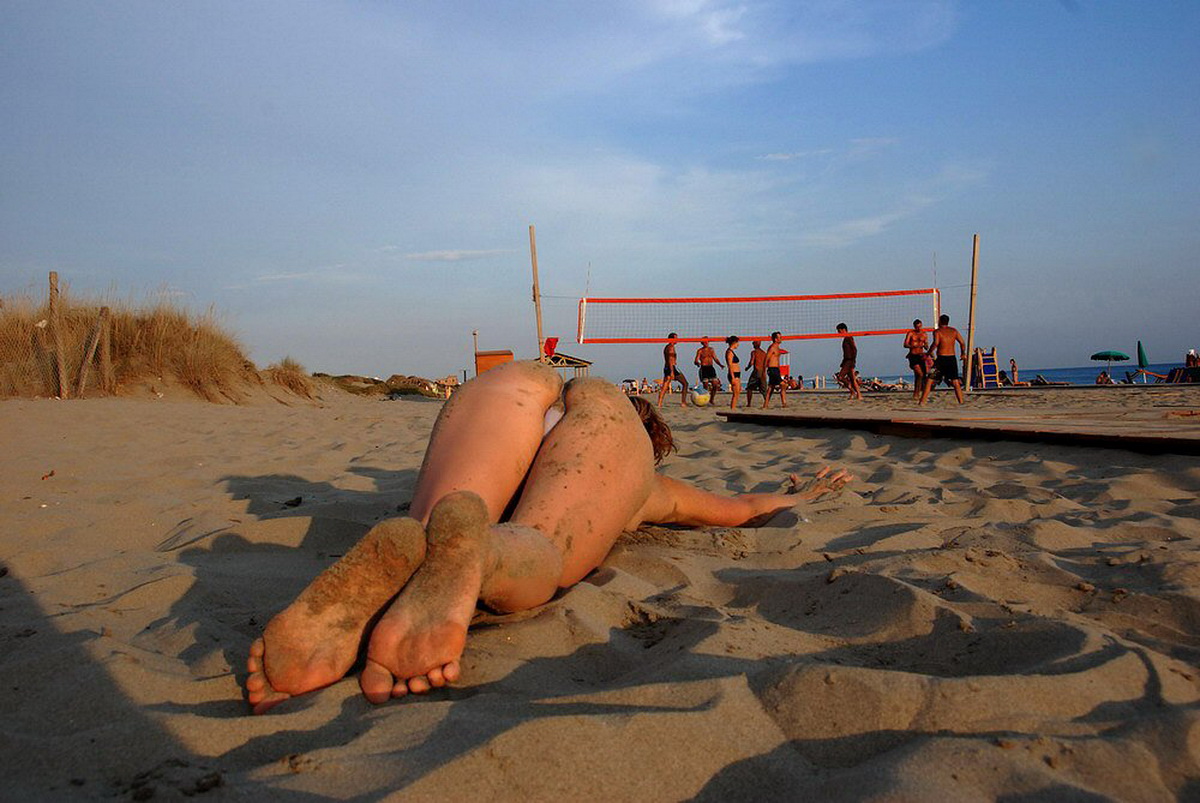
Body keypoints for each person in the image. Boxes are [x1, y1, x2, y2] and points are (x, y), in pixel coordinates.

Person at [244, 361, 852, 713]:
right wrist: (803, 494)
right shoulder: (641, 468)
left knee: (436, 522)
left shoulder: (541, 383)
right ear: (655, 437)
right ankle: (480, 552)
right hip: (609, 417)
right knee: (544, 549)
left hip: (506, 388)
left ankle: (421, 544)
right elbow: (741, 508)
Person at [919, 314, 966, 405]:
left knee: (929, 380)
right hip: (951, 358)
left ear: (940, 321)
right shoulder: (954, 331)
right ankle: (961, 402)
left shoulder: (937, 332)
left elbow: (936, 343)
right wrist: (963, 353)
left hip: (941, 359)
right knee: (955, 381)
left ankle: (922, 402)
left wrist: (928, 354)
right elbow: (962, 343)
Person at [657, 333, 688, 408]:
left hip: (666, 367)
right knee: (685, 383)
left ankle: (659, 403)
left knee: (665, 386)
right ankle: (683, 402)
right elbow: (671, 360)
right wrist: (672, 372)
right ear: (672, 339)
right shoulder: (671, 347)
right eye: (676, 338)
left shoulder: (666, 347)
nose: (677, 339)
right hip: (672, 368)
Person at [834, 323, 862, 401]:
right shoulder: (846, 338)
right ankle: (858, 395)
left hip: (849, 361)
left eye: (839, 331)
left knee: (840, 377)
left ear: (843, 330)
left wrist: (853, 360)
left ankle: (853, 391)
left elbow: (854, 349)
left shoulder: (849, 337)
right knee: (852, 379)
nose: (838, 333)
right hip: (846, 360)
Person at [903, 320, 928, 401]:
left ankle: (916, 393)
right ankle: (916, 393)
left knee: (920, 375)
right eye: (917, 327)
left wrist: (925, 345)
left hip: (921, 355)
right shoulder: (911, 333)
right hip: (913, 356)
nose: (918, 328)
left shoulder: (924, 334)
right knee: (919, 374)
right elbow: (905, 344)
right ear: (914, 326)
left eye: (920, 326)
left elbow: (926, 345)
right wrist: (913, 346)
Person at [762, 331, 788, 409]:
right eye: (780, 337)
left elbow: (777, 360)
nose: (781, 339)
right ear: (775, 339)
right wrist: (764, 370)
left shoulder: (777, 348)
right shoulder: (772, 347)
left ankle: (765, 405)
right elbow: (766, 358)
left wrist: (779, 370)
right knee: (783, 384)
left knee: (771, 388)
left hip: (776, 369)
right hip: (772, 369)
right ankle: (784, 403)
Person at [744, 340, 768, 408]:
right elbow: (766, 364)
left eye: (753, 344)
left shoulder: (754, 352)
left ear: (754, 345)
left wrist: (747, 368)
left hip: (757, 371)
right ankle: (766, 403)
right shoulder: (764, 353)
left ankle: (749, 404)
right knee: (764, 390)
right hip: (763, 372)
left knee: (749, 388)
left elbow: (751, 362)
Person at [724, 336, 742, 410]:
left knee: (737, 393)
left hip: (736, 374)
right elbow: (730, 365)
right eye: (737, 342)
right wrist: (733, 377)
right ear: (734, 343)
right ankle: (732, 409)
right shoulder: (729, 352)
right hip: (733, 374)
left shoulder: (731, 351)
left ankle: (733, 408)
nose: (738, 344)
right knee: (735, 393)